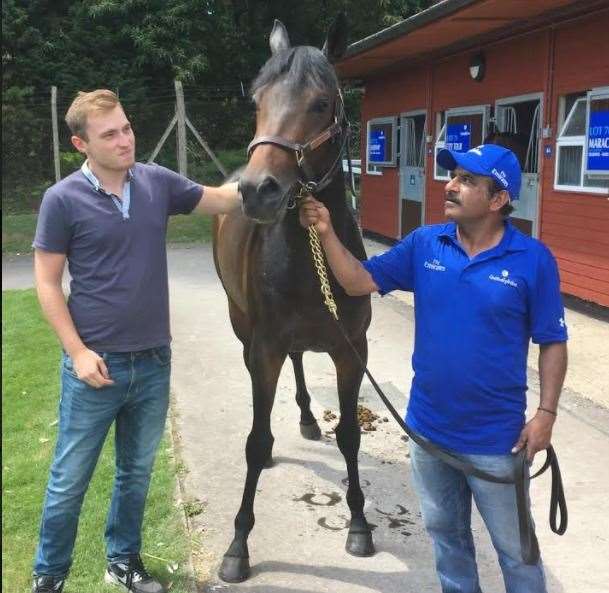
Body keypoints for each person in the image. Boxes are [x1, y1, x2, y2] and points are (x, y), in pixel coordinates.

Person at [299, 144, 568, 593]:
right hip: (427, 433)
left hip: (496, 441)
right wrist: (326, 231)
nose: (451, 185)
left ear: (498, 199)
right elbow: (357, 280)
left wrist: (546, 414)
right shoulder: (426, 243)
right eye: (454, 175)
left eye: (466, 180)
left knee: (516, 552)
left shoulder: (532, 260)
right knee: (448, 542)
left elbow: (553, 341)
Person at [31, 89, 241, 593]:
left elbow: (223, 198)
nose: (125, 140)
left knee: (135, 475)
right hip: (94, 368)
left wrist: (274, 167)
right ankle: (49, 577)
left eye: (126, 128)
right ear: (82, 143)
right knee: (68, 482)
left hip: (153, 362)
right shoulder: (62, 200)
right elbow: (46, 282)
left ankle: (123, 562)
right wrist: (77, 352)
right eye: (110, 134)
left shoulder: (156, 182)